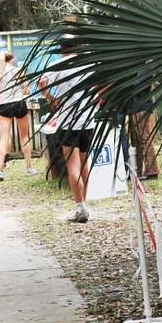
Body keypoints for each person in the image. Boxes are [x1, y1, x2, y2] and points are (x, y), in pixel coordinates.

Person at [38, 56, 96, 223]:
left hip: (67, 122)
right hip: (87, 120)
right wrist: (97, 96)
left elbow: (41, 82)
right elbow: (106, 79)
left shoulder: (57, 65)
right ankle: (83, 206)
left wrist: (50, 97)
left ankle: (81, 208)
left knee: (73, 165)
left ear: (61, 47)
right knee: (84, 164)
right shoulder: (89, 61)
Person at [0, 51, 35, 181]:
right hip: (19, 103)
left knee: (4, 139)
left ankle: (0, 170)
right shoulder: (18, 70)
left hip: (5, 105)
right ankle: (29, 167)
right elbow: (27, 90)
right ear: (11, 59)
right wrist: (20, 91)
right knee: (24, 136)